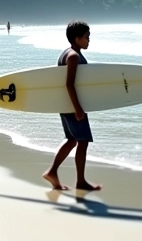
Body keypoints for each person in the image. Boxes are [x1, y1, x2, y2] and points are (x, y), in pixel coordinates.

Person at [43, 20, 101, 192]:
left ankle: (52, 172)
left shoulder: (66, 53)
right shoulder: (73, 56)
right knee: (82, 141)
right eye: (86, 37)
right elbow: (69, 84)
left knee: (72, 140)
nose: (89, 40)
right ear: (77, 38)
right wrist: (78, 109)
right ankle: (80, 181)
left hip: (66, 104)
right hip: (73, 106)